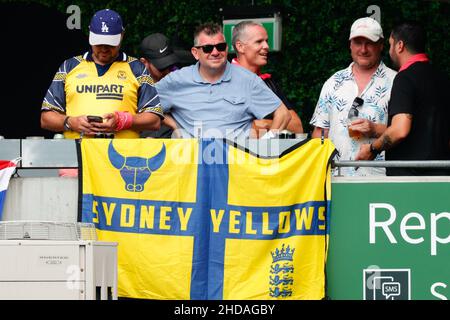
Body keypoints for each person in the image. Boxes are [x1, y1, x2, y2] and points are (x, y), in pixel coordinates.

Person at [41, 9, 163, 139]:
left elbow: (154, 119)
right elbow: (46, 118)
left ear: (121, 35)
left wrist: (123, 120)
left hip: (123, 156)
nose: (104, 48)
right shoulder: (69, 66)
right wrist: (70, 122)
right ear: (89, 34)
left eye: (110, 43)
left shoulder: (137, 68)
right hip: (78, 154)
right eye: (99, 42)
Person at [155, 22, 291, 139]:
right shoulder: (177, 80)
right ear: (195, 53)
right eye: (208, 48)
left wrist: (266, 143)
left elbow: (283, 114)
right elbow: (145, 106)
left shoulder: (248, 80)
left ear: (226, 48)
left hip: (236, 163)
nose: (215, 52)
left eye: (220, 47)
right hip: (193, 164)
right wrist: (175, 126)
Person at [356, 21, 450, 175]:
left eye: (391, 44)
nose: (390, 50)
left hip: (410, 180)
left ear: (399, 46)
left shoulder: (404, 78)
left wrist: (372, 149)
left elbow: (400, 130)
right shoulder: (443, 78)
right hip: (443, 178)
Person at [310, 17, 397, 176]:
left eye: (369, 42)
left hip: (380, 179)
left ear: (381, 45)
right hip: (336, 178)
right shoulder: (334, 82)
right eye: (358, 42)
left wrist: (374, 129)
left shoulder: (396, 82)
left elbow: (405, 132)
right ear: (350, 45)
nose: (363, 49)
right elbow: (320, 132)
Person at [231, 20, 303, 138]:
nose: (266, 46)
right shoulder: (224, 79)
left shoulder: (267, 81)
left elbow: (297, 127)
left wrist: (266, 124)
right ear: (240, 46)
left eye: (266, 41)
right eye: (259, 41)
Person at [139, 33, 194, 138]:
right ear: (144, 63)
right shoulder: (134, 86)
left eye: (170, 65)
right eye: (162, 67)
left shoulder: (181, 79)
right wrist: (172, 123)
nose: (168, 72)